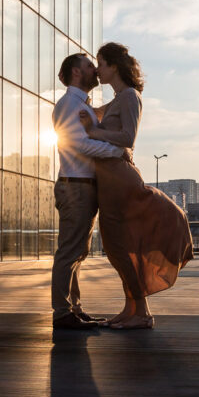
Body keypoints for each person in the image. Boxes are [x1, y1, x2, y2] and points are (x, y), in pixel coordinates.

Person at [78, 42, 194, 330]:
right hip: (110, 180)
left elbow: (128, 137)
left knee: (118, 246)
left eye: (101, 64)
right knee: (117, 248)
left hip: (119, 179)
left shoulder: (130, 96)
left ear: (114, 66)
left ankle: (141, 312)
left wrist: (93, 131)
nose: (98, 69)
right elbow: (95, 115)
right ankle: (131, 309)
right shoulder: (119, 99)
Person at [50, 53, 127, 330]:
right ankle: (62, 312)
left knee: (77, 253)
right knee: (70, 252)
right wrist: (117, 151)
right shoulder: (69, 104)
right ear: (76, 73)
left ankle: (73, 308)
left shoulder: (79, 105)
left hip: (81, 186)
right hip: (76, 187)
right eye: (89, 66)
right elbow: (80, 145)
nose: (95, 69)